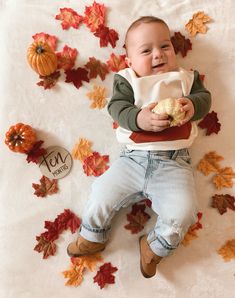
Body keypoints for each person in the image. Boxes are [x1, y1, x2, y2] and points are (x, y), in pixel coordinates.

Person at [67, 16, 211, 278]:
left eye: (165, 46)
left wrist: (194, 105)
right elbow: (117, 107)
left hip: (174, 164)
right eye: (146, 50)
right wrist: (138, 118)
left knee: (184, 211)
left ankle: (154, 247)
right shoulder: (128, 79)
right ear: (130, 60)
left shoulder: (186, 78)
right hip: (132, 160)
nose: (158, 54)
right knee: (101, 193)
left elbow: (204, 98)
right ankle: (92, 235)